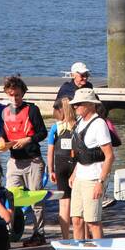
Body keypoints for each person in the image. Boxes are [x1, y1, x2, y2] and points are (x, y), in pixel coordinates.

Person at [68, 88, 114, 241]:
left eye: (78, 104)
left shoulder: (99, 124)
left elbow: (109, 156)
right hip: (80, 176)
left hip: (94, 177)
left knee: (92, 221)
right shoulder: (80, 122)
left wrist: (100, 182)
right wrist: (74, 173)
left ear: (89, 104)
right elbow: (81, 152)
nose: (75, 107)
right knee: (76, 219)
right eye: (74, 104)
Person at [0, 75, 47, 194]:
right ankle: (17, 214)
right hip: (14, 162)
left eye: (17, 95)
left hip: (33, 161)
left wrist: (27, 140)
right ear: (7, 94)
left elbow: (43, 133)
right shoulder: (5, 111)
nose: (14, 99)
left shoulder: (32, 110)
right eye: (11, 95)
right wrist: (1, 140)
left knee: (36, 200)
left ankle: (37, 213)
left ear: (23, 94)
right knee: (11, 197)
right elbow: (2, 132)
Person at [45, 96, 76, 240]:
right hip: (76, 167)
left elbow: (50, 150)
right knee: (77, 203)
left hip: (60, 165)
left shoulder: (56, 127)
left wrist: (50, 169)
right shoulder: (79, 125)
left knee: (64, 204)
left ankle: (65, 237)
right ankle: (80, 236)